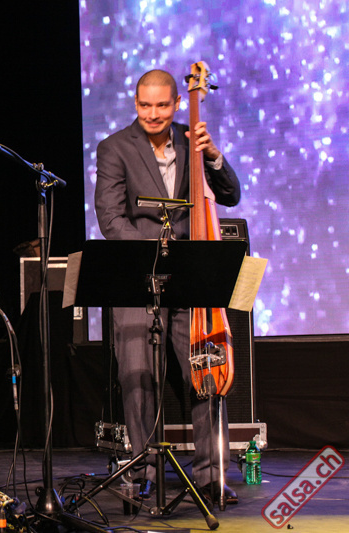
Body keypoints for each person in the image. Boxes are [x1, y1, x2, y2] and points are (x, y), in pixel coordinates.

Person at [94, 69, 241, 504]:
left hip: (190, 281)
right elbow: (111, 219)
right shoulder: (114, 148)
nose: (153, 113)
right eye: (145, 105)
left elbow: (231, 194)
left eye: (162, 105)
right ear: (135, 103)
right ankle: (142, 472)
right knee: (138, 380)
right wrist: (158, 255)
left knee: (206, 374)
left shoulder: (193, 140)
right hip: (141, 280)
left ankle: (212, 475)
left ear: (177, 103)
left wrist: (212, 155)